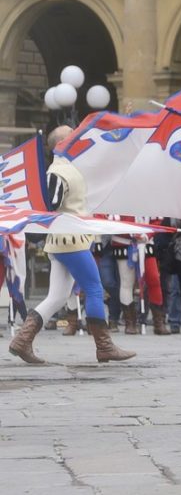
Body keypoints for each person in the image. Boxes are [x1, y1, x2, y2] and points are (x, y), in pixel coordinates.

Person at [9, 126, 135, 364]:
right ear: (61, 143)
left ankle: (22, 341)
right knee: (95, 289)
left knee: (57, 296)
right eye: (72, 136)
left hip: (64, 240)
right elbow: (52, 204)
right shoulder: (59, 171)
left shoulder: (64, 169)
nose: (77, 138)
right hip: (71, 240)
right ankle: (104, 346)